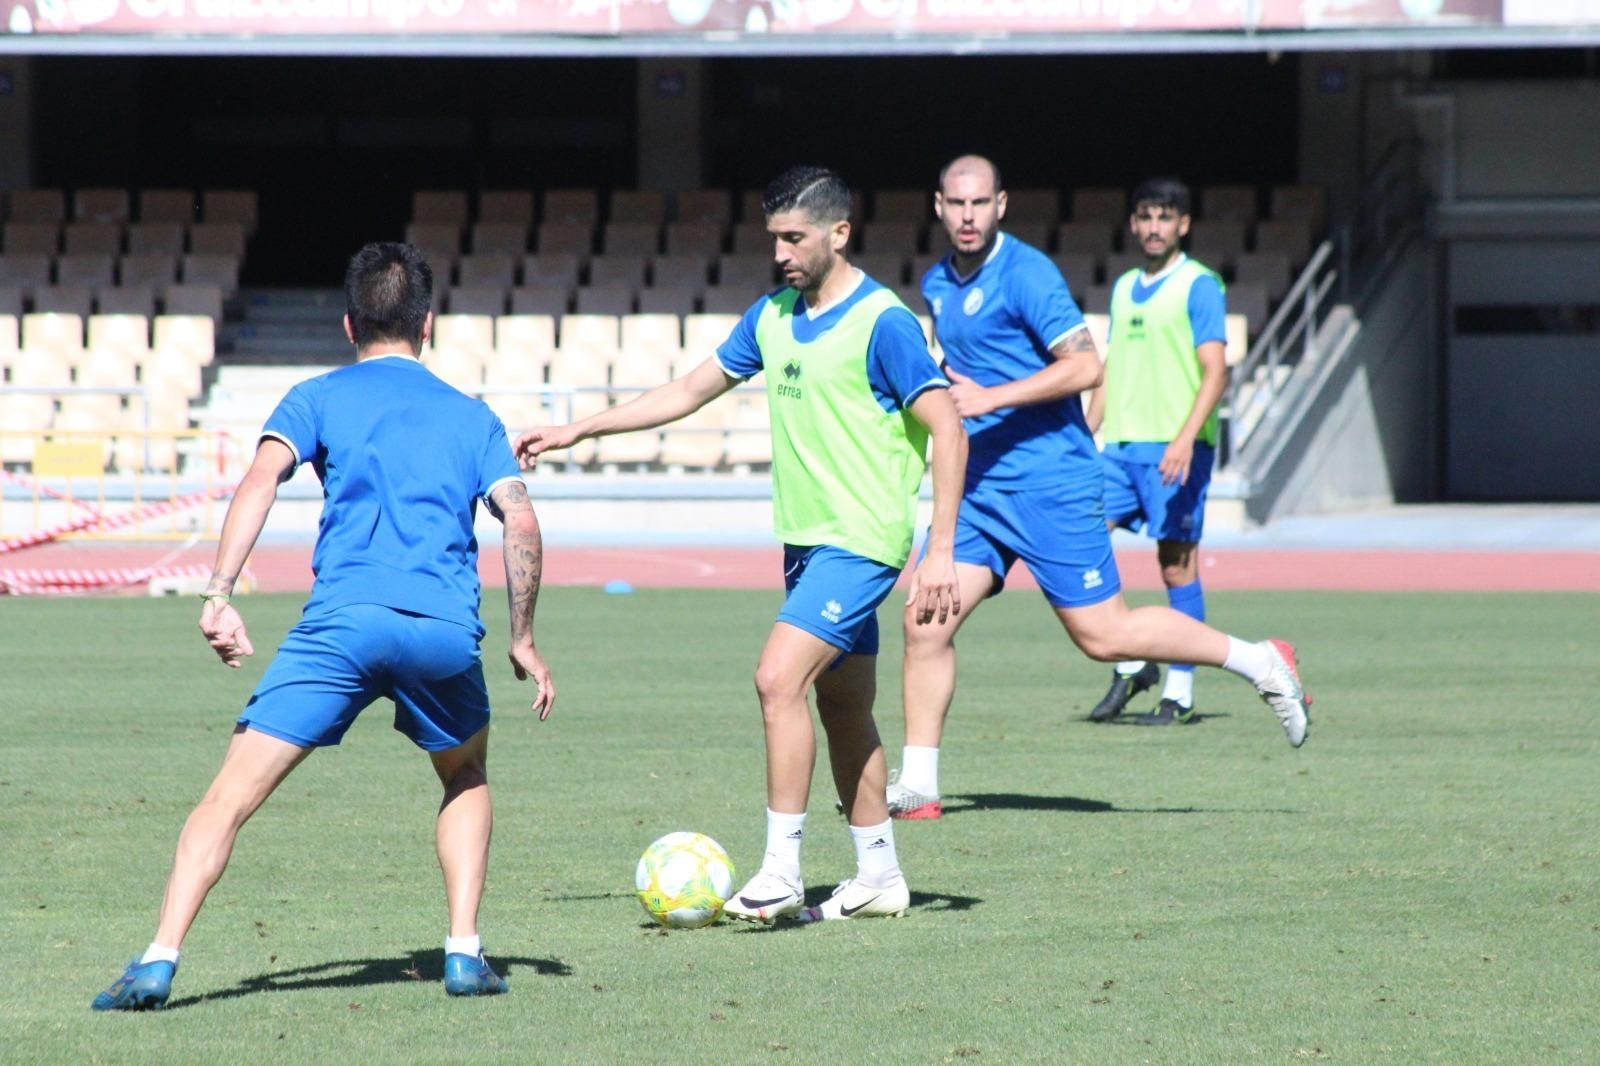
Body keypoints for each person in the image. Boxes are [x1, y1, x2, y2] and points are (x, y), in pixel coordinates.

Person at [91, 242, 554, 1011]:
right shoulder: (475, 419)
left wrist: (219, 591)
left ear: (348, 324)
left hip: (340, 628)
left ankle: (157, 960)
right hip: (440, 630)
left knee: (227, 798)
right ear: (428, 324)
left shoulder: (315, 396)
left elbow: (258, 481)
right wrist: (523, 636)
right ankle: (465, 953)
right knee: (465, 774)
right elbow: (523, 521)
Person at [515, 166, 966, 922]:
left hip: (862, 544)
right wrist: (577, 429)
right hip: (806, 547)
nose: (782, 252)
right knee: (843, 708)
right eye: (775, 239)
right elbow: (687, 391)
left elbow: (948, 426)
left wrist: (941, 547)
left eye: (795, 237)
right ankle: (880, 875)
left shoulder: (883, 322)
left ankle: (781, 872)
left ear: (839, 233)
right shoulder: (773, 316)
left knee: (774, 680)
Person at [886, 156, 1309, 822]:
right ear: (937, 206)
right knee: (923, 621)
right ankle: (920, 785)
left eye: (980, 203)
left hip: (1052, 483)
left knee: (1105, 638)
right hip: (981, 488)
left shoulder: (1027, 274)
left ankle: (1259, 661)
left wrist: (989, 397)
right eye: (956, 204)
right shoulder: (938, 282)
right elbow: (962, 375)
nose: (968, 216)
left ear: (1002, 204)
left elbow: (1084, 365)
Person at [1084, 177, 1228, 726]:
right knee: (1082, 538)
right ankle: (1133, 656)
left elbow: (1216, 371)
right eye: (1145, 217)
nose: (1153, 227)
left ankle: (1180, 693)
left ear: (1183, 225)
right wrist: (1082, 436)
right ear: (1133, 223)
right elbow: (1111, 369)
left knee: (1176, 565)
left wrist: (1186, 437)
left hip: (1177, 451)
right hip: (1119, 449)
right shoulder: (1122, 288)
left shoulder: (1199, 285)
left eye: (1164, 217)